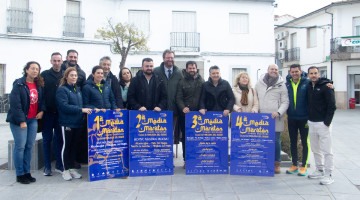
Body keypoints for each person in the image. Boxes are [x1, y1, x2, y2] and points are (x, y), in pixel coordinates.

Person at [6, 61, 45, 184]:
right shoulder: (19, 84)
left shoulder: (38, 84)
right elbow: (15, 104)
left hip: (33, 119)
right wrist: (22, 121)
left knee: (29, 146)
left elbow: (42, 100)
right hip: (20, 121)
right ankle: (20, 174)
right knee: (20, 147)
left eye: (37, 69)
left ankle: (27, 172)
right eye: (32, 68)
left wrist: (42, 111)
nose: (35, 71)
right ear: (26, 70)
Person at [56, 67, 92, 181]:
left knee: (73, 147)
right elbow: (64, 106)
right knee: (66, 147)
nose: (74, 77)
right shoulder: (62, 90)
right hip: (67, 123)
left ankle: (71, 168)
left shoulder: (77, 89)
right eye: (71, 75)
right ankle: (64, 170)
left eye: (75, 76)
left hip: (77, 123)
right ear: (66, 77)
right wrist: (81, 110)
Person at [255, 64, 289, 174]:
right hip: (261, 117)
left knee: (275, 141)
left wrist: (279, 112)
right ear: (267, 70)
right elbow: (255, 97)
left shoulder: (282, 84)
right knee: (262, 141)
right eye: (272, 69)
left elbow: (285, 102)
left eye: (276, 69)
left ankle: (276, 163)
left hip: (275, 117)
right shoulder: (259, 83)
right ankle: (263, 162)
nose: (274, 71)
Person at [306, 66, 336, 185]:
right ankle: (319, 169)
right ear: (308, 75)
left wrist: (327, 122)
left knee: (327, 150)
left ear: (319, 74)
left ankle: (329, 174)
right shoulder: (308, 86)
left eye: (315, 73)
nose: (313, 75)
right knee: (315, 149)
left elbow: (332, 106)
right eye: (311, 73)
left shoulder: (326, 87)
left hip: (323, 123)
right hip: (311, 122)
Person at [176, 61, 204, 168]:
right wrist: (183, 107)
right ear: (186, 69)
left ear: (196, 69)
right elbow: (178, 97)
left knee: (198, 137)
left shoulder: (202, 81)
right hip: (186, 115)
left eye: (193, 68)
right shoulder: (181, 82)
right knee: (186, 138)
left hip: (199, 115)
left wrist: (203, 107)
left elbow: (204, 96)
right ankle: (186, 160)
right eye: (190, 68)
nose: (192, 70)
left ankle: (197, 158)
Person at [40, 52, 64, 176]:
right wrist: (42, 109)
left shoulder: (65, 74)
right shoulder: (44, 75)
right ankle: (47, 166)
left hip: (60, 114)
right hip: (48, 113)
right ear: (51, 61)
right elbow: (41, 94)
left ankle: (59, 165)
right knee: (47, 139)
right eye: (54, 61)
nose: (56, 63)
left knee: (59, 139)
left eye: (58, 60)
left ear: (62, 61)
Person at [285, 64, 310, 176]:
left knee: (304, 141)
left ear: (300, 71)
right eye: (293, 72)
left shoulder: (307, 82)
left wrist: (330, 84)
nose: (295, 73)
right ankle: (294, 164)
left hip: (304, 118)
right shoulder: (287, 84)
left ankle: (304, 166)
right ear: (290, 73)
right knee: (293, 141)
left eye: (296, 71)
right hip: (292, 117)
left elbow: (320, 82)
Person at [154, 49, 183, 145]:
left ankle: (168, 151)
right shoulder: (156, 71)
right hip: (159, 107)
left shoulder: (179, 72)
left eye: (172, 57)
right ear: (163, 59)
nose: (170, 59)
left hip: (173, 108)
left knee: (171, 132)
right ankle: (159, 150)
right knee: (158, 131)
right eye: (168, 57)